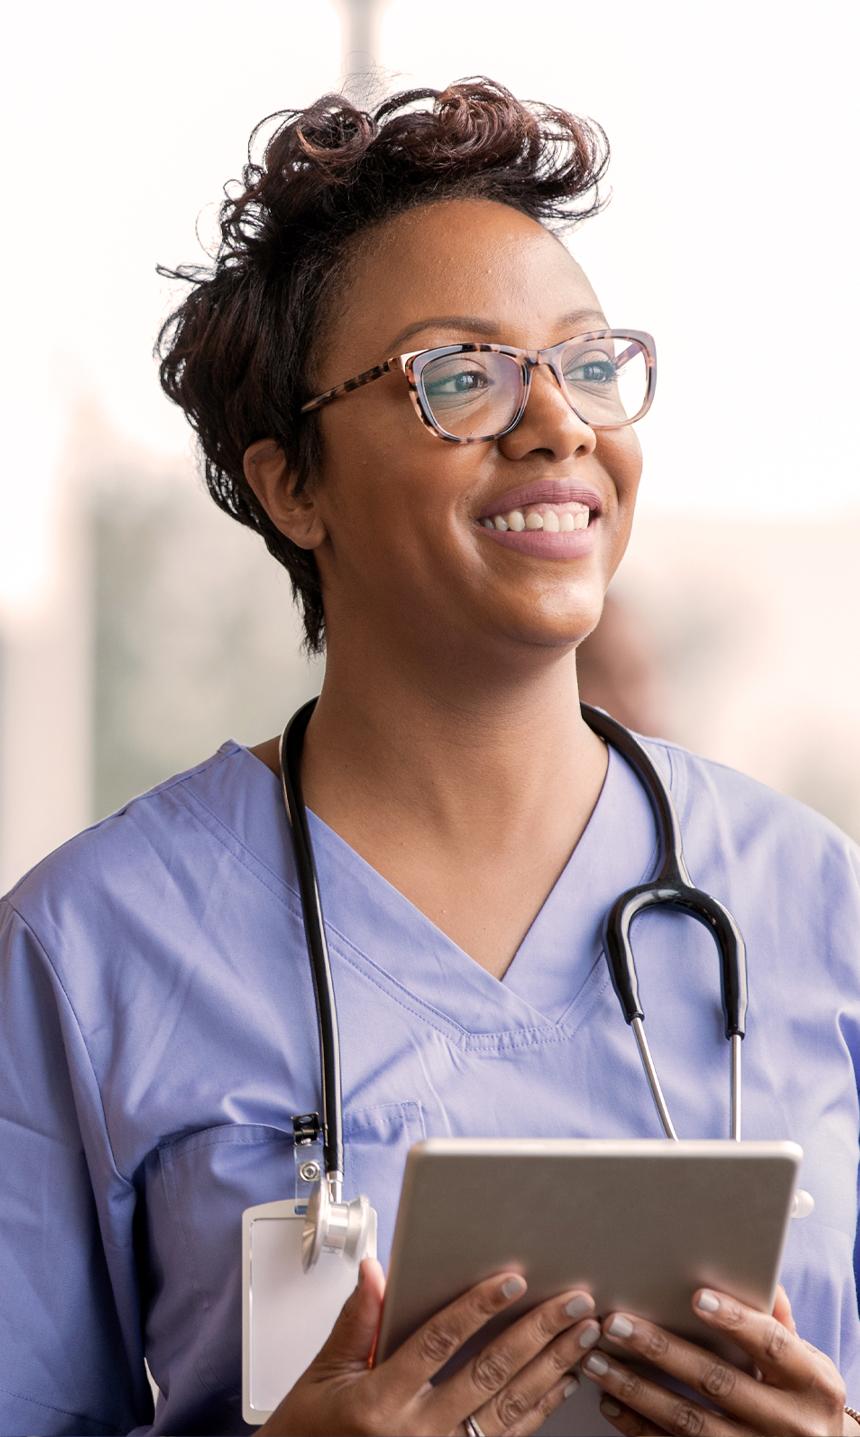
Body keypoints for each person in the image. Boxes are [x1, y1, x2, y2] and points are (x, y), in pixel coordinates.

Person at [2, 77, 859, 1437]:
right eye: (460, 376)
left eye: (585, 362)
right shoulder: (90, 946)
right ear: (292, 483)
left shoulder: (817, 904)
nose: (558, 421)